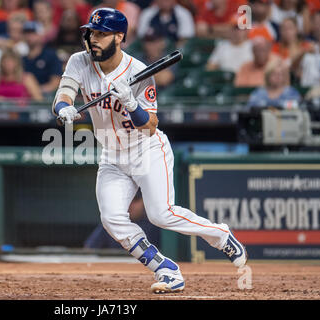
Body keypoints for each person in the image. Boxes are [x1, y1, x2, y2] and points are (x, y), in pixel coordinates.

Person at [53, 8, 247, 293]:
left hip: (146, 149)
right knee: (111, 220)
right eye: (92, 32)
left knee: (161, 214)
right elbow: (64, 93)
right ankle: (166, 269)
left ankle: (220, 234)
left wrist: (131, 104)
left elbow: (151, 126)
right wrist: (64, 109)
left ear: (119, 37)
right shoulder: (79, 61)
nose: (94, 39)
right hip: (112, 156)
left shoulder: (138, 72)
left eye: (102, 34)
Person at [22, 21, 62, 95]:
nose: (29, 36)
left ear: (41, 35)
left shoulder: (51, 56)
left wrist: (34, 90)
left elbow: (55, 83)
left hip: (46, 99)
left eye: (33, 33)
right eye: (26, 33)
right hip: (25, 99)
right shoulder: (22, 59)